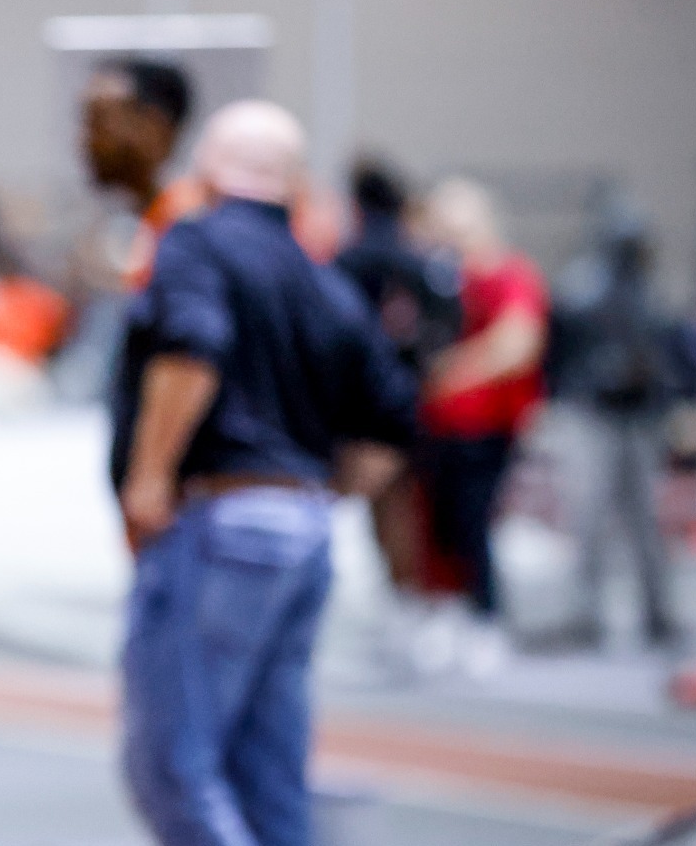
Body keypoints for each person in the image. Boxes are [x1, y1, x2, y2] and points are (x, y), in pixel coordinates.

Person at [112, 101, 416, 846]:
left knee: (173, 766)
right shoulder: (326, 282)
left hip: (222, 521)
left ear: (207, 174)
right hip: (306, 529)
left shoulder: (196, 242)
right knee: (269, 767)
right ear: (295, 185)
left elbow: (194, 348)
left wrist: (148, 478)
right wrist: (324, 491)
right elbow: (392, 416)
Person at [414, 177, 549, 676]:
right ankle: (445, 614)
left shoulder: (510, 274)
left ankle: (485, 619)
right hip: (437, 426)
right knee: (436, 524)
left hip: (483, 425)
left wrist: (451, 371)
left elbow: (518, 343)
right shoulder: (439, 278)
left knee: (473, 522)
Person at [332, 158, 463, 647]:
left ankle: (405, 606)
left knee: (388, 509)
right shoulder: (420, 262)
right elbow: (449, 325)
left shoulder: (351, 259)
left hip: (367, 404)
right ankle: (406, 607)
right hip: (412, 399)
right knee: (404, 507)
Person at [546, 193, 680, 650]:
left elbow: (669, 356)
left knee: (646, 520)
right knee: (589, 517)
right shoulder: (582, 291)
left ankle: (657, 613)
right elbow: (559, 351)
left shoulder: (649, 295)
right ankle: (584, 614)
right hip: (593, 417)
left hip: (640, 419)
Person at [81, 58, 201, 291]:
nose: (85, 141)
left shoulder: (187, 226)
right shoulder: (142, 221)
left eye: (98, 123)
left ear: (153, 129)